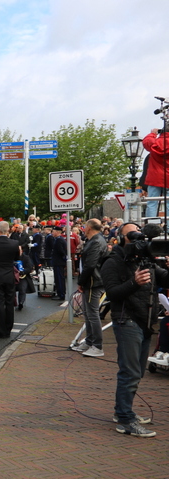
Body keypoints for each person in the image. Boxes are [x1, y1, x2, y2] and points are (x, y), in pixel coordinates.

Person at [101, 222, 169, 438]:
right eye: (132, 235)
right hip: (126, 320)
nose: (138, 239)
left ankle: (122, 411)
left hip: (145, 321)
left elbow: (166, 279)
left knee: (138, 372)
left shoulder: (145, 260)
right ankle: (125, 420)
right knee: (129, 372)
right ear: (121, 239)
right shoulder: (113, 262)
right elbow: (111, 294)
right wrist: (134, 282)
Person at [75, 218, 106, 358]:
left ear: (89, 228)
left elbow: (90, 265)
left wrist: (81, 282)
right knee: (88, 313)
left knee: (92, 314)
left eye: (85, 226)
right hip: (92, 281)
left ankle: (97, 346)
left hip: (93, 282)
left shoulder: (96, 242)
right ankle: (89, 341)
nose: (83, 228)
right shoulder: (93, 240)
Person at [142, 129, 169, 218]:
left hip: (154, 177)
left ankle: (151, 226)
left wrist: (153, 133)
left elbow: (146, 141)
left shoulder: (155, 143)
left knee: (152, 202)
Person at [50, 225, 67, 301]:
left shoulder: (59, 240)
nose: (52, 233)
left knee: (59, 278)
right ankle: (60, 293)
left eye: (53, 232)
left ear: (57, 232)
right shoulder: (58, 239)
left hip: (58, 262)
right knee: (59, 278)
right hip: (58, 261)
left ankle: (61, 294)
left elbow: (61, 251)